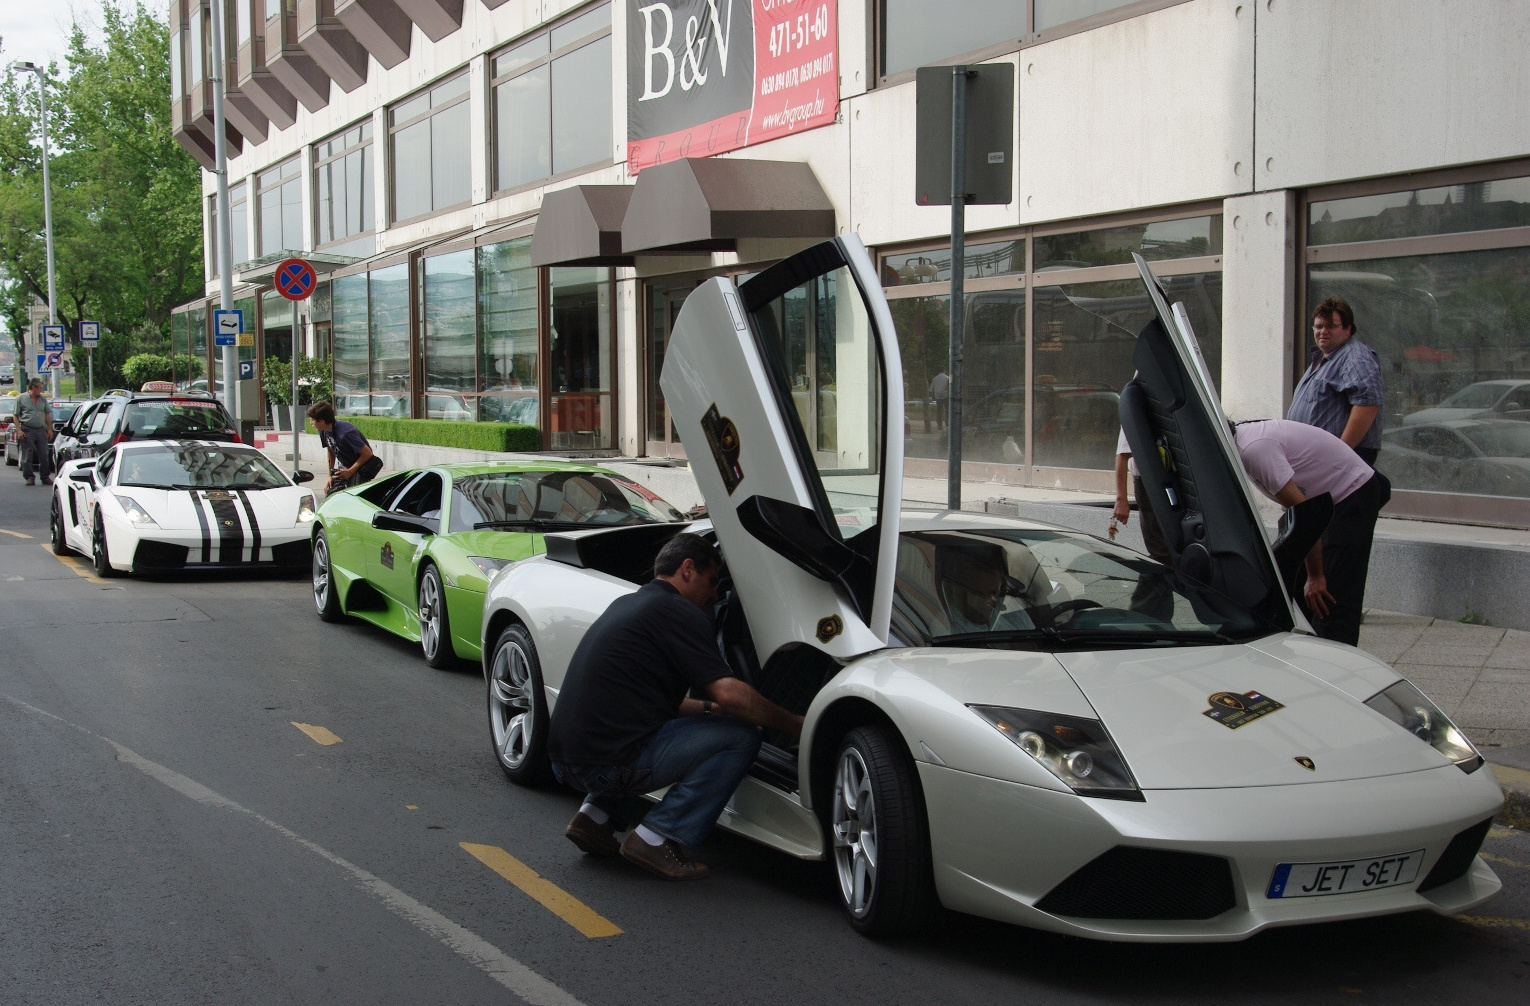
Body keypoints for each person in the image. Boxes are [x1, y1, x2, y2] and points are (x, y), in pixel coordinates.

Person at [547, 533, 804, 881]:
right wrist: (797, 725)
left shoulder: (630, 603)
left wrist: (713, 712)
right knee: (741, 738)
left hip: (564, 761)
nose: (715, 595)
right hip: (604, 766)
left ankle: (593, 818)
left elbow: (657, 705)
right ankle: (656, 837)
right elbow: (729, 692)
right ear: (687, 570)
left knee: (644, 732)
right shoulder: (679, 612)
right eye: (713, 582)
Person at [1232, 419, 1390, 647]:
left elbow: (1306, 516)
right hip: (1323, 502)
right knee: (1294, 591)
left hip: (1351, 493)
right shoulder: (1244, 443)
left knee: (1329, 600)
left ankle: (1335, 664)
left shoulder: (1254, 450)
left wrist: (1316, 576)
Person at [1288, 296, 1384, 466]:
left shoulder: (1356, 358)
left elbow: (1367, 405)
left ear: (1348, 329)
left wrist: (1340, 453)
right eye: (1319, 326)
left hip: (1341, 460)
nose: (1323, 331)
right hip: (1315, 458)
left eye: (1331, 326)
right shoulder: (1323, 358)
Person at [1112, 429, 1174, 622]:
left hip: (1170, 481)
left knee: (1167, 552)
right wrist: (1121, 499)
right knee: (1160, 552)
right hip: (1149, 482)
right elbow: (1122, 456)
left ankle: (1158, 615)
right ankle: (1141, 612)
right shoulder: (1137, 404)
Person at [306, 401, 382, 492]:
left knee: (354, 496)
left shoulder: (346, 433)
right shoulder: (323, 431)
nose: (311, 423)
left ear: (321, 421)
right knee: (332, 494)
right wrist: (329, 475)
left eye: (312, 420)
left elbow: (367, 453)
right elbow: (331, 451)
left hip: (360, 469)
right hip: (344, 468)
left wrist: (350, 471)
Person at [12, 379, 53, 486]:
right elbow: (15, 416)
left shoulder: (42, 399)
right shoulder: (21, 398)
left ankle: (45, 477)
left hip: (40, 430)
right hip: (27, 429)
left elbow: (47, 415)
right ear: (33, 388)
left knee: (44, 454)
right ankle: (29, 477)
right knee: (27, 455)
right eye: (40, 388)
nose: (41, 390)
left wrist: (49, 429)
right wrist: (19, 430)